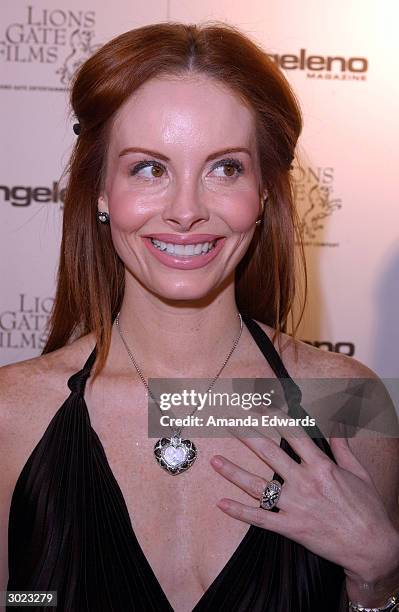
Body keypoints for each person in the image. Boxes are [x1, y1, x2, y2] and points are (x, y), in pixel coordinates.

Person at [1, 21, 398, 612]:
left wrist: (379, 577)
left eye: (225, 168)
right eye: (149, 168)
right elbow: (24, 597)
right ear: (102, 191)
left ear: (264, 191)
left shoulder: (349, 401)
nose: (186, 210)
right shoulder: (13, 412)